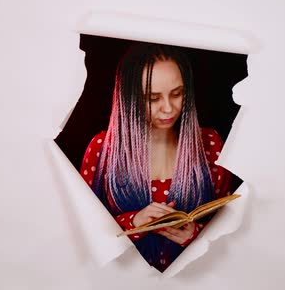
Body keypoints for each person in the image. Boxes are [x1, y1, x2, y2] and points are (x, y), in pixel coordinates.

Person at [79, 42, 231, 272]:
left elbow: (228, 229)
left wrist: (196, 235)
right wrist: (134, 223)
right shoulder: (102, 149)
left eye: (177, 94)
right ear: (129, 98)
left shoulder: (209, 144)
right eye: (153, 98)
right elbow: (82, 232)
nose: (168, 108)